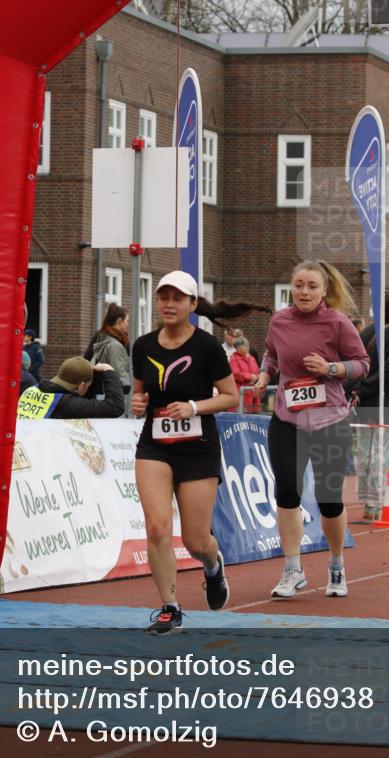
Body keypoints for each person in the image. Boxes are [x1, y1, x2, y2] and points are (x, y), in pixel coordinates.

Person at [131, 271, 239, 633]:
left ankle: (212, 564)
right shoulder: (143, 345)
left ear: (193, 305)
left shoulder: (207, 347)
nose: (169, 304)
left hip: (198, 448)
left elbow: (231, 396)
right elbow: (140, 393)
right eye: (163, 297)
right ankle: (170, 607)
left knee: (195, 540)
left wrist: (194, 406)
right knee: (158, 527)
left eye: (178, 298)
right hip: (154, 446)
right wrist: (137, 403)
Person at [255, 260, 369, 599]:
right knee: (286, 492)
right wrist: (264, 376)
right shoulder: (279, 320)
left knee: (329, 499)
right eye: (299, 284)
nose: (304, 291)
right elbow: (271, 355)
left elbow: (362, 364)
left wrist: (331, 367)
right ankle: (293, 569)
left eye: (312, 286)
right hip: (287, 419)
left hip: (328, 421)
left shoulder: (338, 323)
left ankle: (336, 564)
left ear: (324, 290)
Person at [350, 292, 389, 521]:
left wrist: (356, 388)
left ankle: (369, 500)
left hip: (366, 403)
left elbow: (356, 365)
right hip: (387, 403)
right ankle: (375, 501)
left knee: (366, 454)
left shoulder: (366, 333)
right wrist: (364, 387)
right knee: (378, 455)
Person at [17, 356, 124, 420]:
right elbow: (115, 407)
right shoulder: (66, 403)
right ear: (81, 386)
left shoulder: (32, 390)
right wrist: (109, 371)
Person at [88, 303, 131, 393]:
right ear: (119, 321)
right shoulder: (115, 346)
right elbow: (121, 379)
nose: (128, 324)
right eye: (127, 321)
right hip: (114, 399)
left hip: (102, 395)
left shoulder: (101, 339)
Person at [229, 335, 261, 413]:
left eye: (248, 345)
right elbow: (236, 374)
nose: (248, 347)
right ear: (238, 348)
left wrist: (256, 378)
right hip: (241, 394)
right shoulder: (233, 359)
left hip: (254, 393)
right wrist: (250, 377)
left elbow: (258, 372)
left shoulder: (252, 358)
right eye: (245, 345)